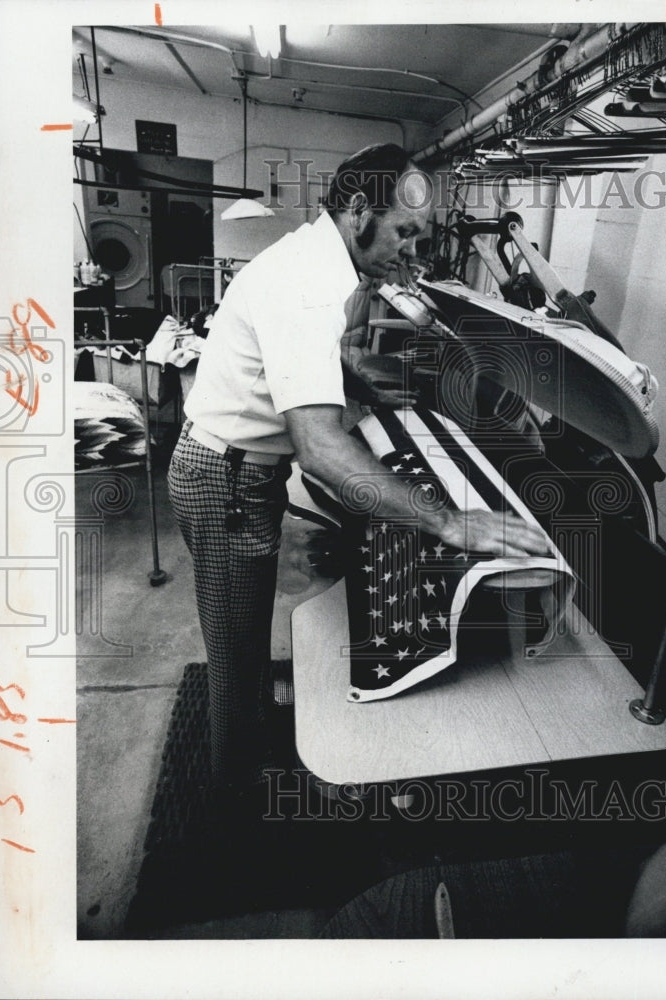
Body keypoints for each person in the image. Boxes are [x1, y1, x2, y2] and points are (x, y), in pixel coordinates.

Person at [167, 143, 549, 809]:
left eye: (421, 238)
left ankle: (250, 746)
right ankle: (234, 797)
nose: (412, 254)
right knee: (234, 649)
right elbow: (318, 448)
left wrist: (368, 391)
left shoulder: (320, 264)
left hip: (235, 471)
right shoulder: (309, 285)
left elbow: (303, 363)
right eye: (403, 233)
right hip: (223, 479)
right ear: (354, 212)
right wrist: (448, 521)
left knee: (249, 635)